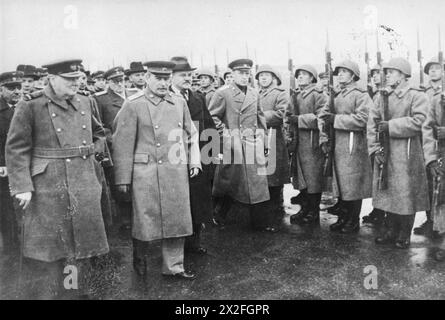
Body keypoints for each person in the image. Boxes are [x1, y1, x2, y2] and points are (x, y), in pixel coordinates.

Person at [6, 59, 109, 298]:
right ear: (51, 79)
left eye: (78, 78)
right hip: (48, 185)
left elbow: (100, 134)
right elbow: (17, 148)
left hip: (83, 180)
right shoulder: (31, 105)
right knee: (52, 248)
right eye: (70, 79)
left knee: (82, 244)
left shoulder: (85, 101)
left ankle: (77, 292)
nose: (77, 83)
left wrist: (93, 156)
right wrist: (22, 186)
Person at [112, 61, 200, 279]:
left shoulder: (179, 102)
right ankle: (139, 262)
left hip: (175, 170)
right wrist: (123, 178)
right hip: (145, 171)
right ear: (147, 78)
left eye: (166, 78)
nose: (162, 83)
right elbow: (122, 143)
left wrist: (195, 161)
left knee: (176, 218)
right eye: (157, 78)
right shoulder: (133, 104)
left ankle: (174, 267)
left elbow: (191, 134)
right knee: (145, 219)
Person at [368, 57, 429, 249]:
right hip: (385, 150)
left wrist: (392, 126)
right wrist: (374, 148)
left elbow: (420, 121)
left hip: (407, 151)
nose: (386, 76)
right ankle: (390, 228)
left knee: (405, 192)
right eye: (385, 72)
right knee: (387, 190)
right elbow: (372, 123)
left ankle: (404, 232)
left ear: (403, 75)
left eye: (391, 72)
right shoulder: (381, 96)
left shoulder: (416, 96)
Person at [208, 58, 270, 231]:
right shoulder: (223, 93)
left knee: (256, 184)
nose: (245, 76)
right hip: (233, 144)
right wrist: (226, 134)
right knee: (229, 181)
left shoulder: (253, 92)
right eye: (241, 73)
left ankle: (259, 223)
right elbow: (213, 116)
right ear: (232, 74)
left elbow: (260, 117)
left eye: (247, 73)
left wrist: (264, 140)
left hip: (252, 143)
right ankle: (217, 214)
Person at [319, 60, 373, 234]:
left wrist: (336, 120)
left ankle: (352, 220)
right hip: (338, 143)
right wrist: (325, 124)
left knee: (352, 183)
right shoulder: (336, 94)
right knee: (341, 182)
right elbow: (324, 113)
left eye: (344, 71)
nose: (340, 75)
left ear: (353, 75)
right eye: (339, 72)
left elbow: (364, 119)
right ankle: (344, 217)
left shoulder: (361, 95)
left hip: (353, 145)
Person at [170, 57, 216, 253]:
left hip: (199, 155)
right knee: (178, 200)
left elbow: (209, 126)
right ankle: (176, 246)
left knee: (198, 200)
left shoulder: (198, 97)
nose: (188, 78)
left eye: (189, 75)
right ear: (171, 77)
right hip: (175, 156)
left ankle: (194, 242)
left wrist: (212, 156)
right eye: (183, 75)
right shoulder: (166, 98)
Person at [94, 66, 138, 234]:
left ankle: (137, 216)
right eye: (115, 81)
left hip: (137, 145)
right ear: (107, 83)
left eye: (122, 80)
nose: (120, 84)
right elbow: (100, 127)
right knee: (120, 183)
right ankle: (126, 219)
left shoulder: (134, 96)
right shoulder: (101, 100)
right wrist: (115, 139)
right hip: (116, 147)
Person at [286, 65, 326, 226]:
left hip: (312, 141)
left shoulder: (318, 95)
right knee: (301, 177)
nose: (300, 77)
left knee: (313, 178)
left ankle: (313, 211)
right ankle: (305, 208)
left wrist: (300, 119)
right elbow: (288, 115)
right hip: (298, 141)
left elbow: (322, 117)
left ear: (312, 78)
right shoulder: (295, 95)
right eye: (299, 75)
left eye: (305, 74)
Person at [256, 64, 289, 230]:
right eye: (260, 75)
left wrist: (259, 117)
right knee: (261, 175)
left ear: (274, 78)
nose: (263, 78)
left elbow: (281, 114)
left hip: (272, 136)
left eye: (267, 75)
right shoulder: (255, 93)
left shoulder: (279, 94)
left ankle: (275, 214)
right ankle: (264, 214)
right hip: (257, 138)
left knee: (273, 177)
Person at [414, 56, 444, 238]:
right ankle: (431, 220)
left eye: (437, 68)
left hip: (442, 145)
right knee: (428, 184)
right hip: (426, 143)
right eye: (430, 69)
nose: (433, 72)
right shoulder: (423, 92)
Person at [423, 69, 445, 261]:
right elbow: (428, 128)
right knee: (441, 200)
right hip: (441, 157)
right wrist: (430, 158)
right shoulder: (436, 100)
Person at [0, 71, 23, 255]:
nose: (16, 91)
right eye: (11, 88)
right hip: (5, 169)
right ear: (1, 90)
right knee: (7, 211)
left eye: (18, 87)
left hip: (26, 166)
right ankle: (11, 249)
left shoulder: (26, 107)